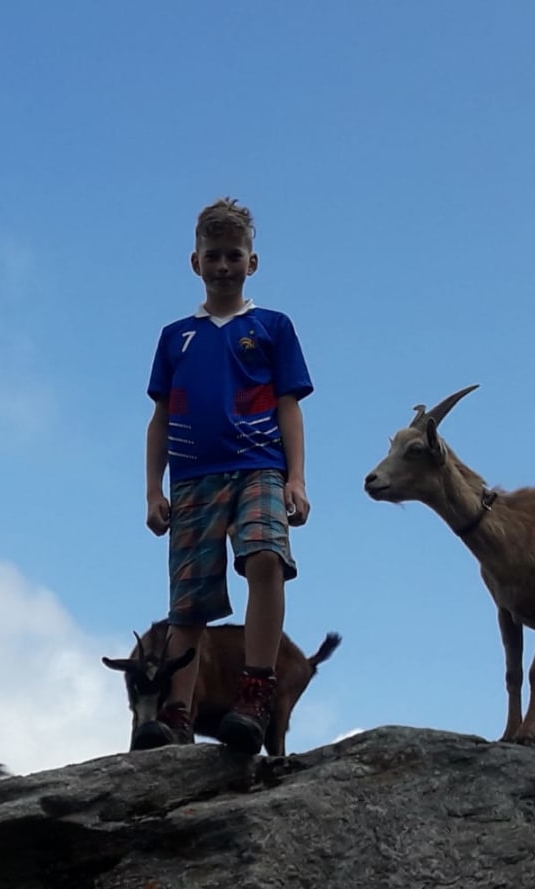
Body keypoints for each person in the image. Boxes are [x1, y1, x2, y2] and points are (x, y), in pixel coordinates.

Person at [137, 197, 314, 754]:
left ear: (251, 262)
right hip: (193, 478)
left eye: (233, 255)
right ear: (195, 262)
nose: (222, 266)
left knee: (266, 557)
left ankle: (255, 690)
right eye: (212, 255)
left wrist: (296, 478)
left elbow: (288, 405)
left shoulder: (272, 327)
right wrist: (153, 489)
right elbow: (161, 418)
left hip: (259, 465)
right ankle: (178, 714)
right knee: (189, 602)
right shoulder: (176, 337)